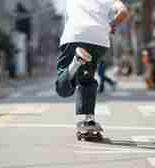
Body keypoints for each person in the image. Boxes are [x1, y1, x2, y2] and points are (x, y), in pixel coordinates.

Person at [55, 0, 130, 130]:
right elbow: (123, 12)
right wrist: (111, 25)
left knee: (62, 89)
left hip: (74, 36)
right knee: (87, 79)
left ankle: (76, 63)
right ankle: (89, 119)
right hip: (99, 39)